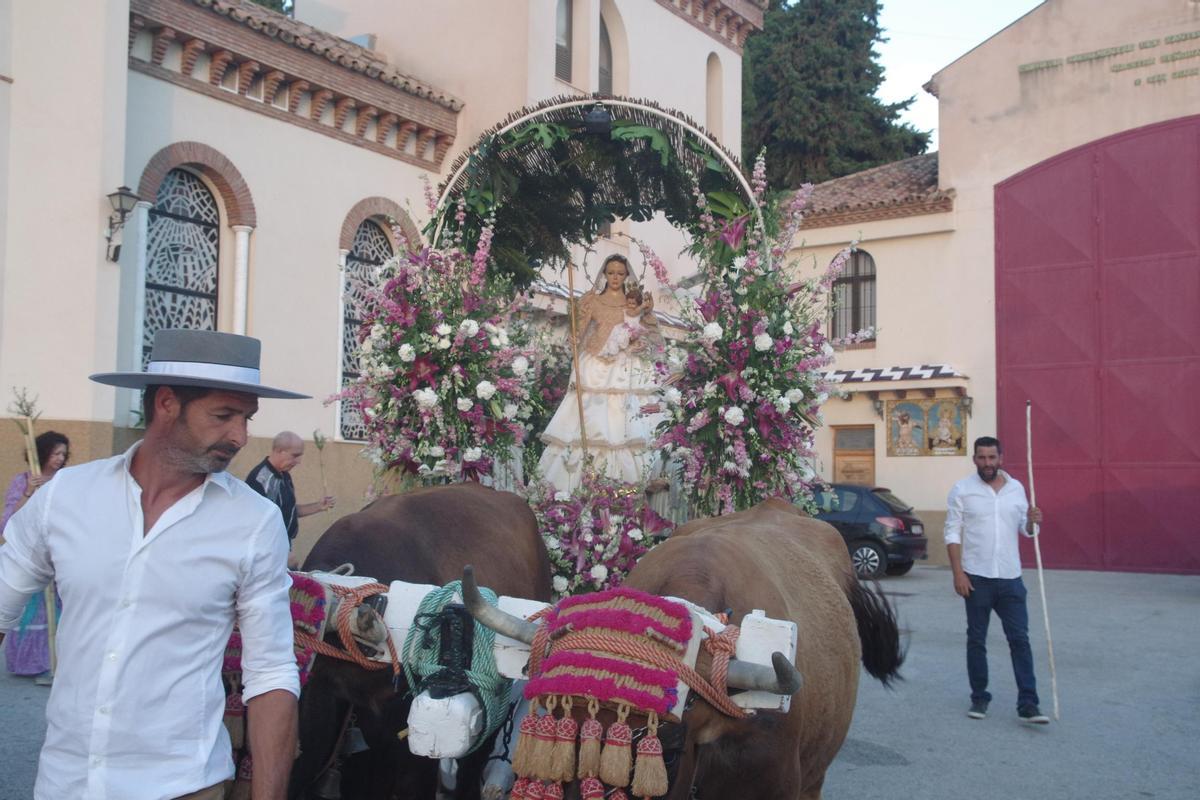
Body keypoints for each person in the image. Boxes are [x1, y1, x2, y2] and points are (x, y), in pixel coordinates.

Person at [0, 329, 307, 799]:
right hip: (65, 783)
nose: (241, 436)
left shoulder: (254, 523)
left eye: (247, 418)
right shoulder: (65, 498)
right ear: (166, 403)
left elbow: (271, 675)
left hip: (183, 785)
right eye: (224, 416)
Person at [538, 255, 666, 491]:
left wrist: (643, 327)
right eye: (611, 273)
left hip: (625, 365)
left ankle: (628, 487)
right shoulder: (592, 300)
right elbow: (578, 330)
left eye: (620, 273)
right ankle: (576, 486)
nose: (615, 277)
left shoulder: (633, 303)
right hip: (595, 362)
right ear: (604, 274)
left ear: (626, 275)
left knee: (625, 418)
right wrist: (574, 336)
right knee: (589, 418)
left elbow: (650, 333)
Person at [945, 435, 1049, 725]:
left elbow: (1025, 529)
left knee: (1020, 640)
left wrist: (1033, 522)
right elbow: (952, 532)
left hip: (1011, 578)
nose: (987, 463)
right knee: (976, 640)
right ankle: (979, 697)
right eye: (982, 457)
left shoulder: (1017, 488)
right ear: (974, 459)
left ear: (1001, 458)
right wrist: (958, 573)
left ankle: (1028, 703)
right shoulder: (962, 490)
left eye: (992, 457)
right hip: (976, 578)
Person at [2, 430, 69, 681]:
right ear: (43, 453)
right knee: (32, 610)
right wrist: (29, 491)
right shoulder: (24, 480)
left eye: (63, 454)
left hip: (57, 552)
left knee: (57, 611)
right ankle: (27, 663)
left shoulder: (65, 481)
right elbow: (9, 520)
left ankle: (52, 662)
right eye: (55, 453)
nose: (60, 458)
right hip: (32, 554)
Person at [246, 431, 335, 565]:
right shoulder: (261, 479)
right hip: (264, 553)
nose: (298, 461)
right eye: (295, 456)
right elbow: (256, 522)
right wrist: (279, 552)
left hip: (282, 546)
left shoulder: (285, 476)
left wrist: (318, 506)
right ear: (279, 451)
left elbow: (289, 510)